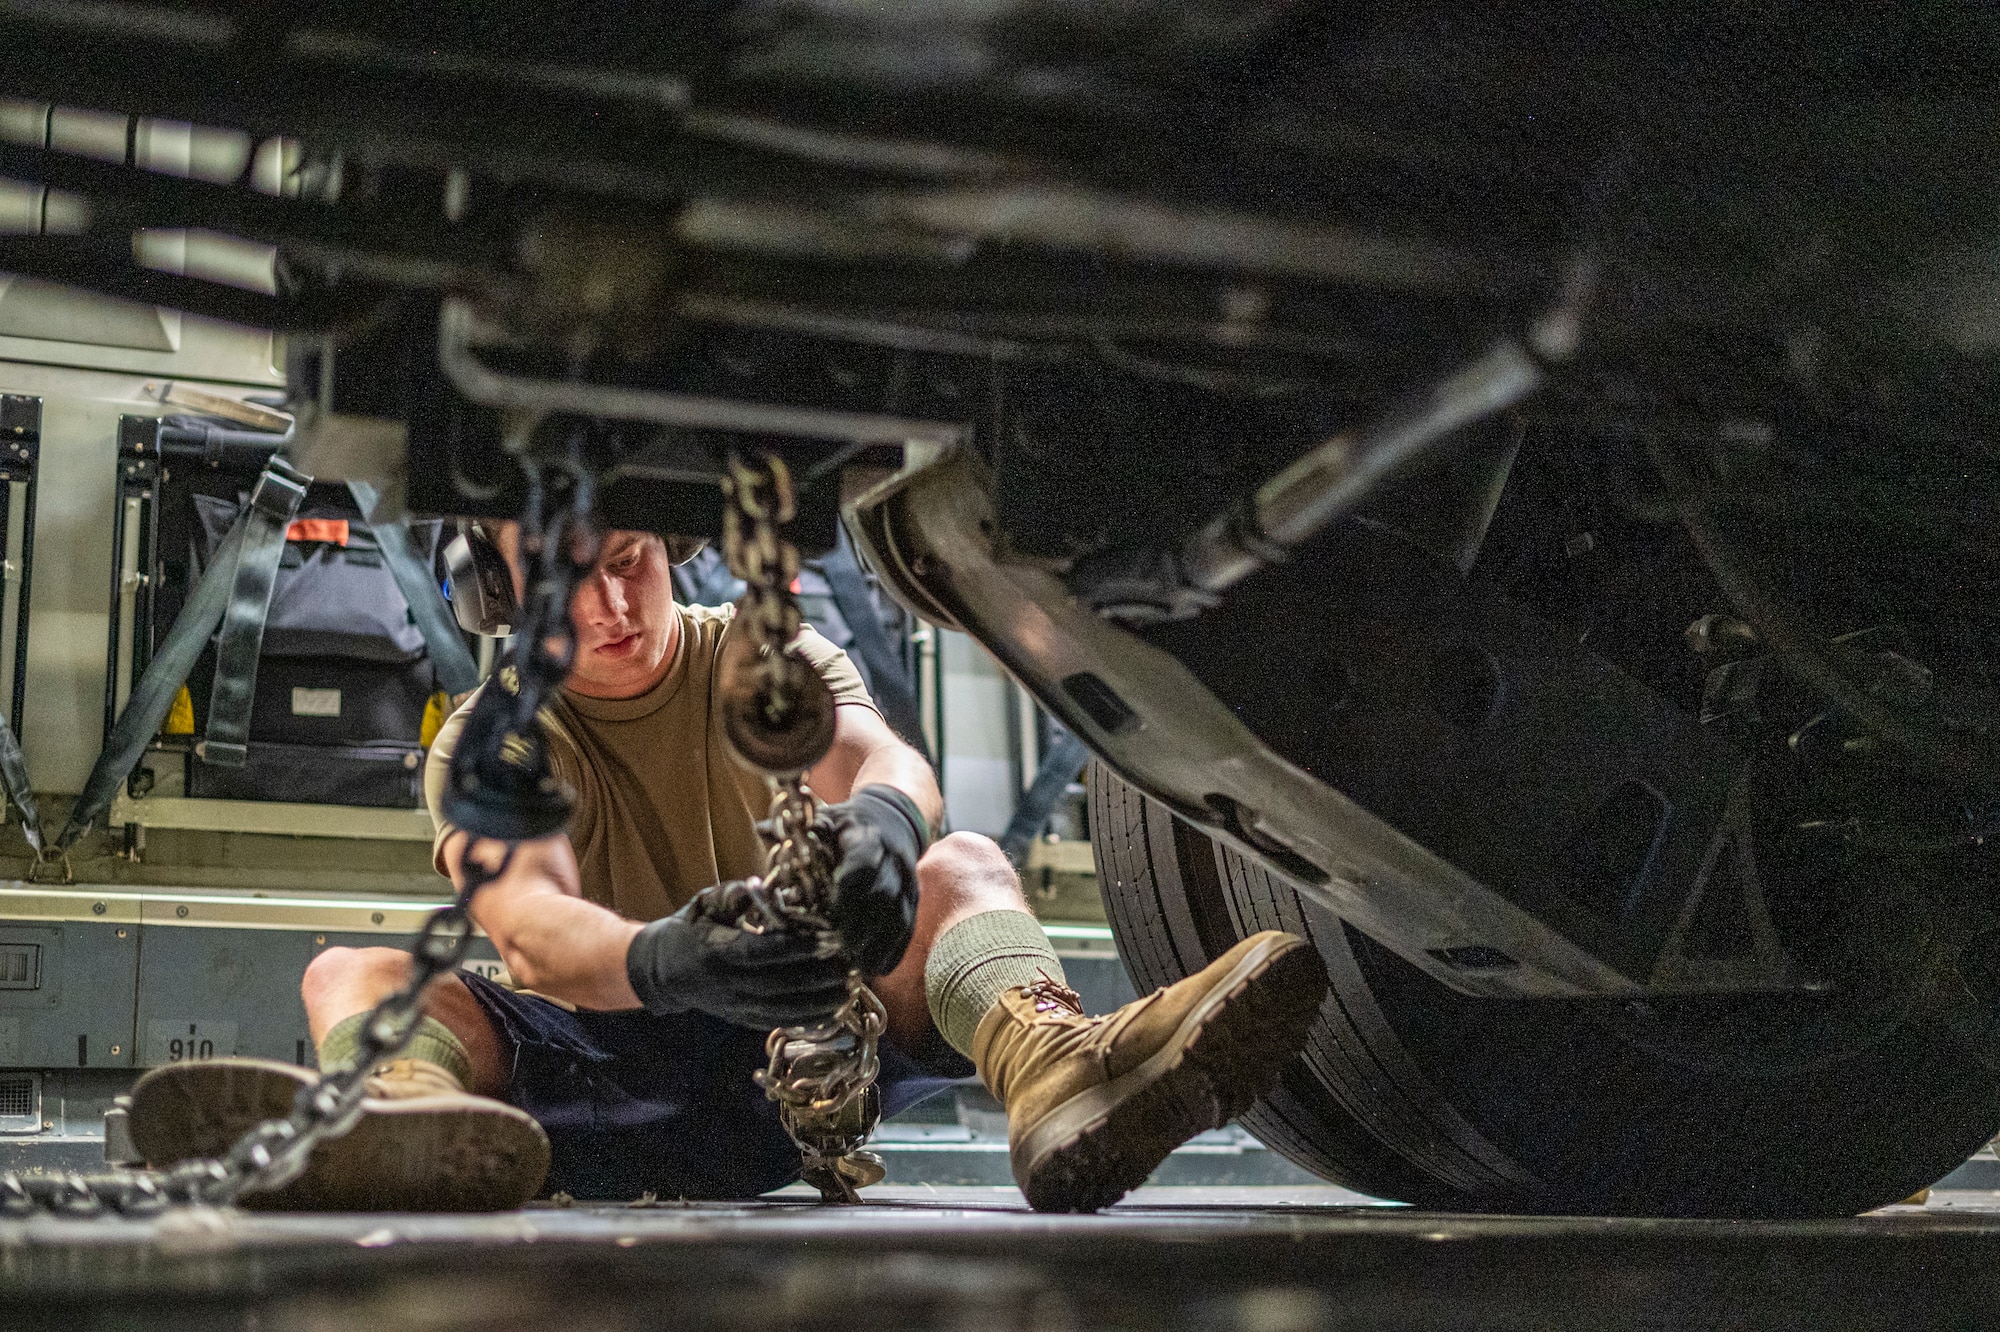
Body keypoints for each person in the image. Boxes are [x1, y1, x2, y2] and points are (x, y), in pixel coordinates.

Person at [127, 529, 1328, 1212]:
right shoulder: (492, 738)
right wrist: (666, 959)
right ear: (495, 595)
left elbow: (885, 762)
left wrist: (888, 834)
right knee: (360, 974)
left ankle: (1059, 1071)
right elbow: (534, 929)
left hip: (796, 1064)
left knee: (963, 862)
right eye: (562, 577)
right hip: (594, 1064)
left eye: (632, 561)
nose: (608, 603)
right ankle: (391, 1128)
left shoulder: (757, 651)